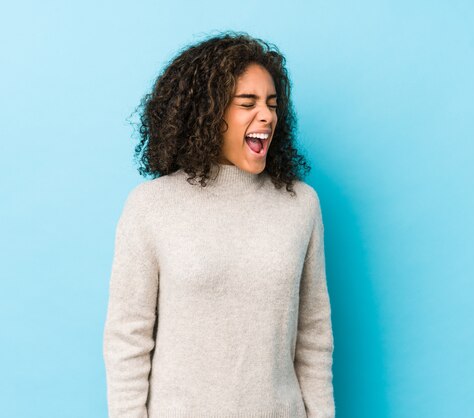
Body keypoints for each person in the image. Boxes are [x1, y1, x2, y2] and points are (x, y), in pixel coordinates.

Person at [102, 31, 335, 418]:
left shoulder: (301, 204)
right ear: (208, 111)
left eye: (272, 104)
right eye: (248, 103)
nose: (267, 116)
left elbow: (313, 336)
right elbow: (127, 340)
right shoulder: (151, 206)